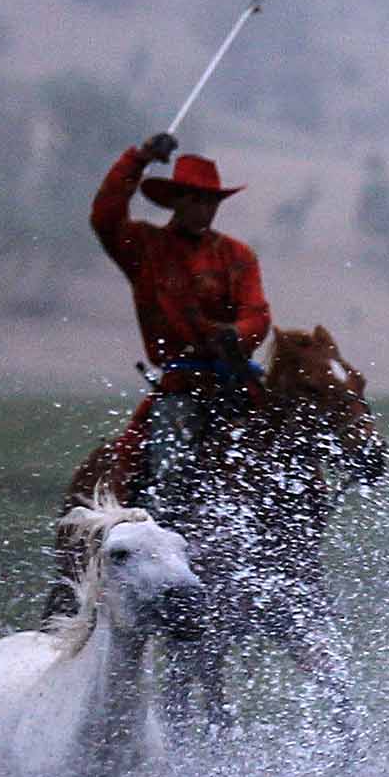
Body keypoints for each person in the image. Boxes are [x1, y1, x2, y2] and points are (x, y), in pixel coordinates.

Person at [89, 131, 272, 514]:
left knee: (284, 450)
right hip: (182, 387)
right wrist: (137, 161)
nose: (204, 208)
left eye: (210, 200)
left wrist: (234, 335)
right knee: (169, 474)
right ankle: (160, 532)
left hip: (238, 382)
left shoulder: (238, 255)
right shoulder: (145, 248)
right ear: (176, 201)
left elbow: (258, 314)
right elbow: (105, 217)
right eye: (195, 198)